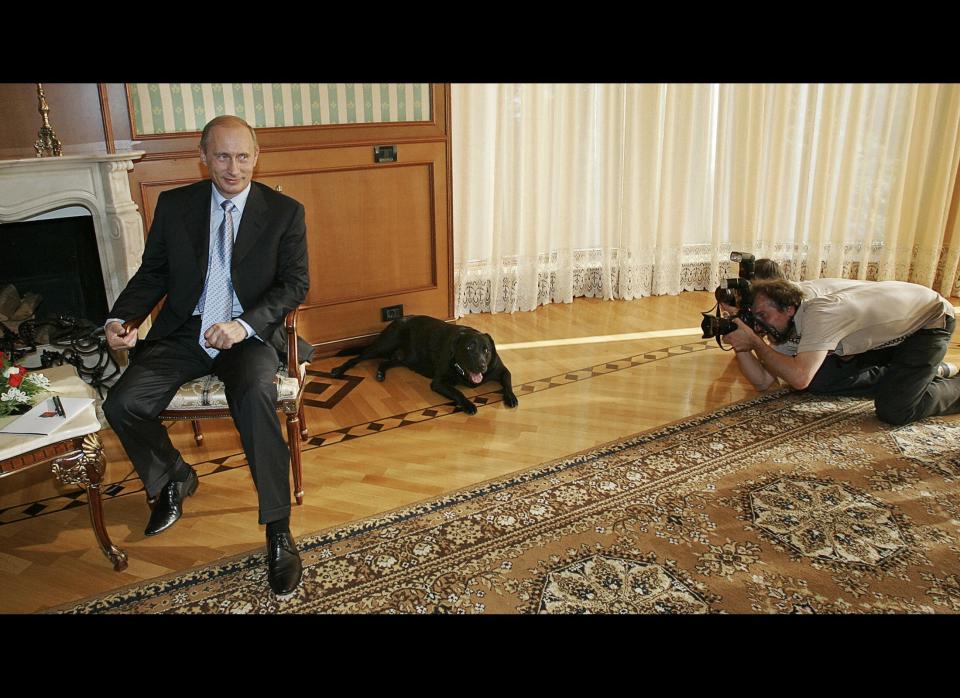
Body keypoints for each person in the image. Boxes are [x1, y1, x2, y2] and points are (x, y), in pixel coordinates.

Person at [103, 115, 311, 595]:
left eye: (242, 156)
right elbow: (152, 273)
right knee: (122, 404)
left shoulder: (284, 212)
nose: (233, 168)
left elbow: (295, 285)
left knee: (257, 395)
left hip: (247, 334)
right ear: (203, 157)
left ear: (256, 156)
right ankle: (175, 475)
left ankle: (278, 530)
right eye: (222, 156)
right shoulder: (176, 206)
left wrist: (242, 326)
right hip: (186, 331)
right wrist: (122, 318)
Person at [726, 277, 960, 425]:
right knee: (817, 380)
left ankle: (945, 383)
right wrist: (741, 342)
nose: (758, 326)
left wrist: (756, 343)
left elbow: (798, 378)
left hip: (928, 322)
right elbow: (764, 381)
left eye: (762, 317)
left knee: (895, 410)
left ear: (788, 309)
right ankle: (919, 375)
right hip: (880, 337)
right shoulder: (788, 317)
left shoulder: (821, 314)